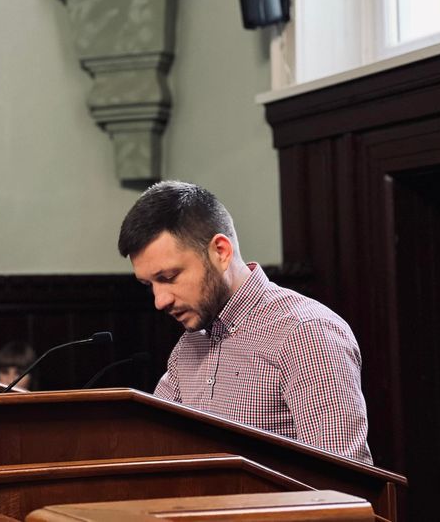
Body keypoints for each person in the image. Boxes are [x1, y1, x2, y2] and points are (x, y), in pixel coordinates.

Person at [117, 181, 373, 464]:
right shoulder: (189, 345)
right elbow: (152, 455)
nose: (159, 301)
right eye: (149, 285)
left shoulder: (306, 333)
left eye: (168, 277)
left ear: (221, 251)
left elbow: (342, 480)